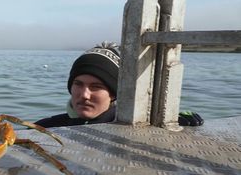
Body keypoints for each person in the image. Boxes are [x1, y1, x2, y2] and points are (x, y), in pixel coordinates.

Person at [35, 41, 203, 128]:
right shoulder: (45, 127)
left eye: (96, 87)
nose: (84, 94)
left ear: (114, 93)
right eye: (78, 84)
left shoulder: (138, 125)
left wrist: (173, 120)